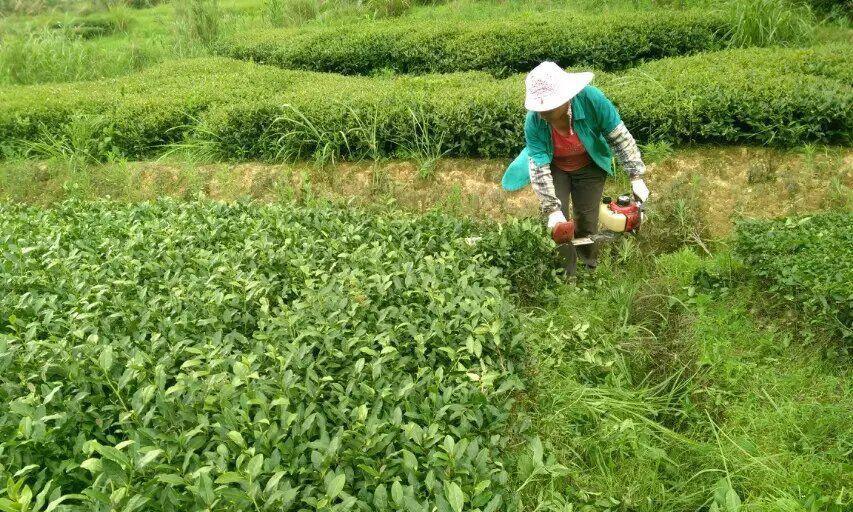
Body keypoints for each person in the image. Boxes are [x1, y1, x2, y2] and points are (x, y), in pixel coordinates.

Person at [502, 61, 650, 277]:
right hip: (555, 167)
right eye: (539, 109)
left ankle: (590, 268)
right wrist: (551, 209)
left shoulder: (592, 100)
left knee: (587, 220)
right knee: (559, 227)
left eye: (549, 109)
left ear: (566, 98)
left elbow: (620, 138)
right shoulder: (534, 121)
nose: (543, 114)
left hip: (589, 164)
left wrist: (636, 176)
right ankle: (565, 276)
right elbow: (539, 168)